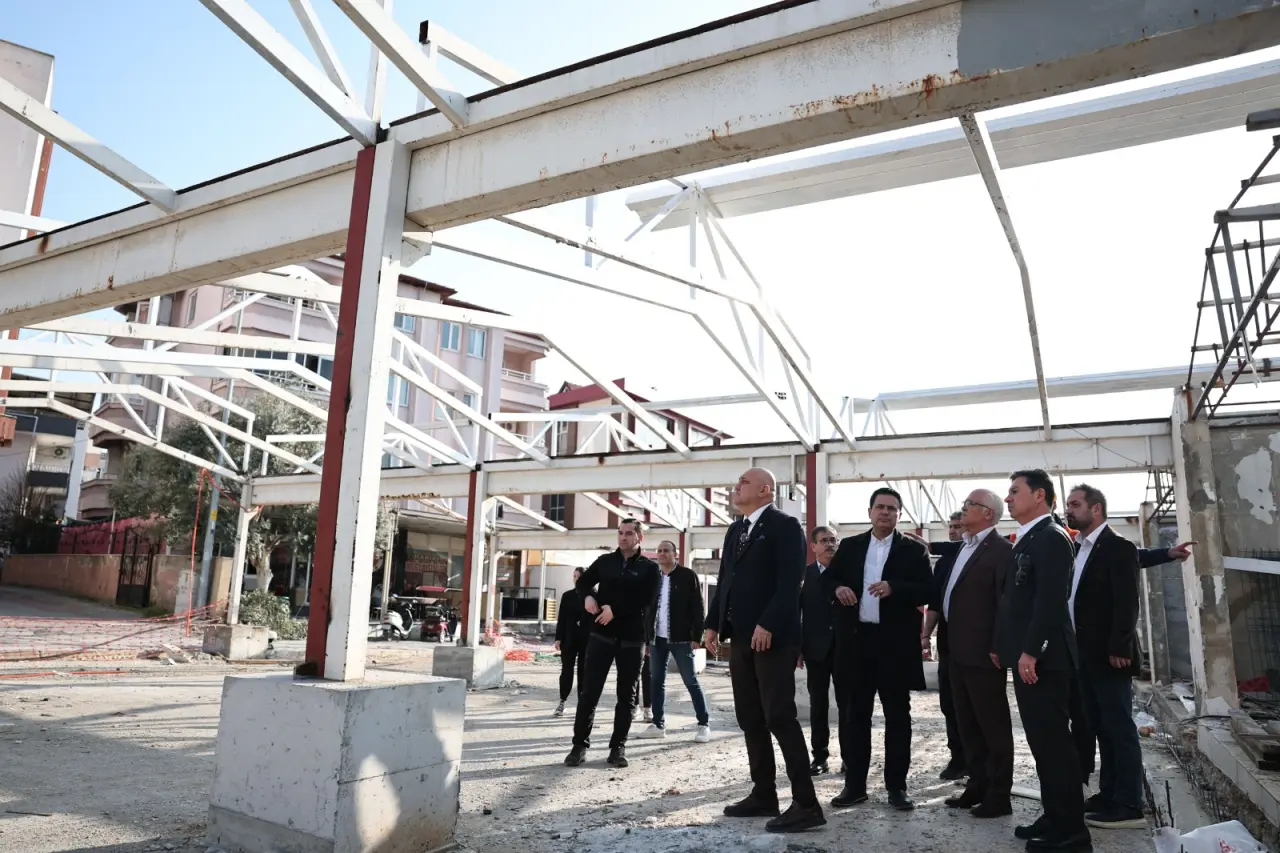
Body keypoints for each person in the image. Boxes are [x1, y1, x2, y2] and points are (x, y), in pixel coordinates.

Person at [704, 467, 824, 833]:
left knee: (779, 717)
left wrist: (769, 623)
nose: (735, 486)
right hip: (741, 637)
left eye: (743, 481)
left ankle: (806, 804)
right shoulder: (735, 529)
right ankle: (763, 794)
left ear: (765, 490)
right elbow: (726, 579)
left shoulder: (785, 526)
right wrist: (713, 623)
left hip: (772, 637)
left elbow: (790, 583)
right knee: (750, 717)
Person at [998, 469, 1091, 852]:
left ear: (1039, 495)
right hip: (1031, 658)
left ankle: (1072, 831)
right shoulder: (1030, 537)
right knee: (1042, 744)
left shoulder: (1051, 537)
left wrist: (1032, 650)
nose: (1008, 498)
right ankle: (1055, 816)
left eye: (1014, 491)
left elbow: (1051, 600)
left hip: (1045, 660)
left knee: (1054, 745)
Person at [827, 487, 934, 812]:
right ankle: (855, 786)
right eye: (880, 507)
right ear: (870, 512)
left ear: (899, 514)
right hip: (857, 643)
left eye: (891, 508)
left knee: (897, 717)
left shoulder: (914, 550)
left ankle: (896, 788)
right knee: (855, 716)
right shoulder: (850, 546)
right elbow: (826, 580)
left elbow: (929, 590)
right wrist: (838, 587)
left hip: (895, 646)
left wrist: (895, 588)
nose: (885, 512)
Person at [925, 490, 1015, 818]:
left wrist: (999, 645)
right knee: (967, 724)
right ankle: (977, 785)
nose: (963, 510)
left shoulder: (1001, 550)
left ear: (988, 513)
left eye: (969, 505)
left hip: (984, 653)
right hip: (956, 650)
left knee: (993, 726)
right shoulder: (965, 546)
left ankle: (999, 795)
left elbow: (1006, 603)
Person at [1064, 484, 1147, 830]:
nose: (1068, 510)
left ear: (1096, 509)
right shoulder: (1079, 548)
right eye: (1068, 505)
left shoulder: (1119, 547)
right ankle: (1108, 793)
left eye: (1075, 504)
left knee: (1119, 727)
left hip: (1109, 655)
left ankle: (1129, 802)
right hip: (1084, 654)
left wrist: (1119, 647)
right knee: (1100, 726)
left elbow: (1127, 602)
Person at [564, 519, 660, 769]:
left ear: (639, 537)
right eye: (620, 533)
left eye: (628, 533)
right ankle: (579, 746)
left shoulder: (650, 568)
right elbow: (583, 582)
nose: (623, 537)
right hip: (601, 635)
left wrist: (614, 610)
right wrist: (588, 596)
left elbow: (646, 598)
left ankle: (618, 748)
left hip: (632, 638)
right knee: (589, 692)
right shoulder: (605, 562)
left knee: (627, 696)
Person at [634, 540, 712, 743]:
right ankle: (658, 725)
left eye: (666, 550)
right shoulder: (653, 578)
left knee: (690, 681)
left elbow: (698, 607)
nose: (662, 554)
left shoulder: (687, 576)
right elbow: (647, 610)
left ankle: (703, 724)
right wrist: (647, 638)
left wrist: (697, 637)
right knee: (656, 681)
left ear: (675, 554)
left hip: (681, 638)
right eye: (659, 551)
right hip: (656, 639)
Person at [921, 510, 967, 782]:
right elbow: (935, 604)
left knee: (971, 704)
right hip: (947, 642)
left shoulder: (978, 556)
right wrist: (926, 635)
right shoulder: (943, 563)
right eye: (950, 526)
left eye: (958, 526)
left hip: (973, 642)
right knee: (949, 702)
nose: (952, 531)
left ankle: (977, 759)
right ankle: (957, 757)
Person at [800, 525, 845, 775]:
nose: (830, 544)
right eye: (824, 540)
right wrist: (797, 647)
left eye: (833, 540)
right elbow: (796, 613)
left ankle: (850, 757)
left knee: (847, 705)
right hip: (815, 649)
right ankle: (819, 757)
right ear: (813, 546)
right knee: (818, 705)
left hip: (845, 649)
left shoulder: (848, 572)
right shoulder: (804, 575)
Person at [554, 568, 590, 717]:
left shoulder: (593, 596)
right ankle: (562, 701)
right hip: (569, 639)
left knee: (584, 672)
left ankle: (582, 705)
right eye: (574, 576)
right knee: (566, 671)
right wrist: (558, 638)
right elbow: (561, 619)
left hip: (587, 641)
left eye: (579, 576)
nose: (576, 579)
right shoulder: (567, 596)